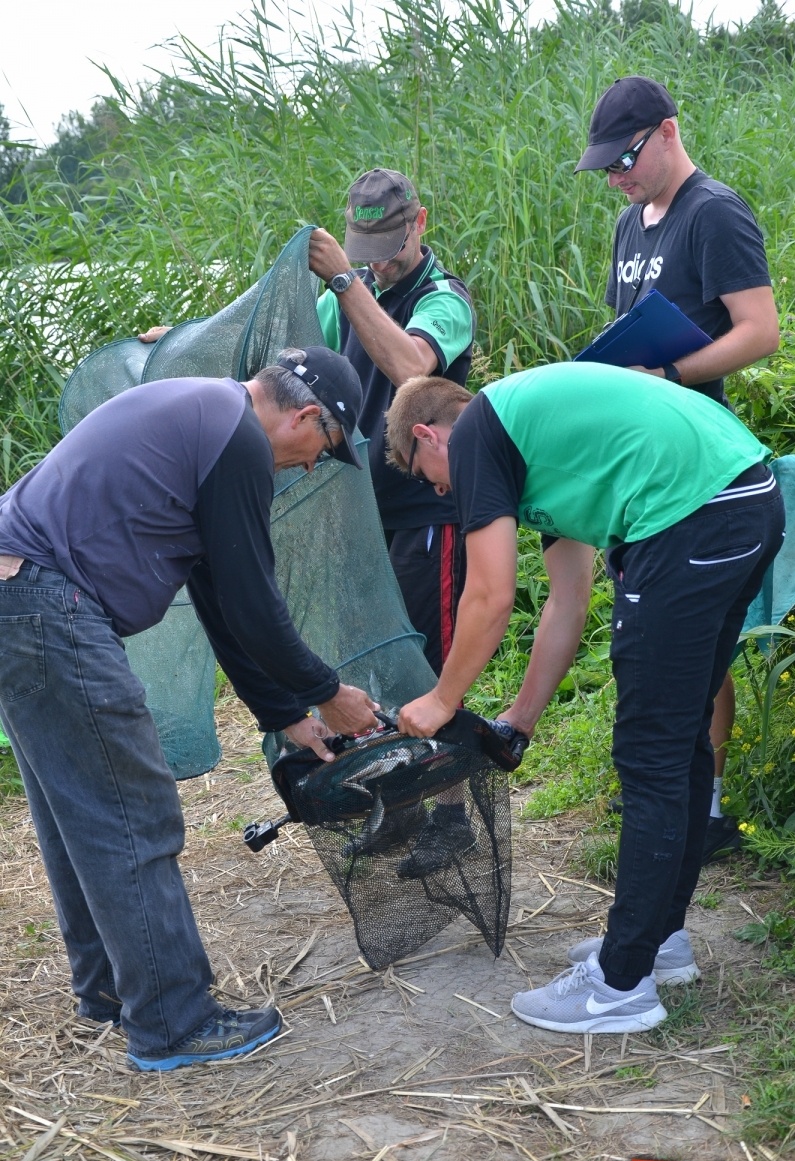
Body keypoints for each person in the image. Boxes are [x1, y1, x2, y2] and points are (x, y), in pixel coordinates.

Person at [0, 346, 378, 1070]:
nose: (305, 467)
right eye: (320, 451)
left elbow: (217, 591)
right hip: (47, 607)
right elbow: (255, 605)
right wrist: (330, 696)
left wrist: (284, 713)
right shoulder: (235, 433)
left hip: (15, 597)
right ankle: (172, 1022)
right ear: (305, 415)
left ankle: (113, 990)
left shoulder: (204, 412)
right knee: (130, 815)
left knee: (76, 812)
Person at [386, 361, 784, 1033]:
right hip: (738, 499)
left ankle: (618, 988)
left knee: (650, 756)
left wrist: (440, 700)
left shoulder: (482, 432)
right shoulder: (535, 446)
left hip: (693, 514)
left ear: (428, 436)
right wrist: (520, 719)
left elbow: (488, 594)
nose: (445, 491)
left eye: (432, 479)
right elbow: (565, 605)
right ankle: (657, 944)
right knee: (678, 740)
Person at [575, 75, 780, 862]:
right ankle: (670, 787)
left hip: (701, 463)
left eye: (623, 159)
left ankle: (706, 802)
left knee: (701, 645)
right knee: (657, 630)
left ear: (666, 131)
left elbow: (757, 331)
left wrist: (669, 378)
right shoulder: (633, 224)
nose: (616, 178)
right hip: (644, 466)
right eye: (604, 168)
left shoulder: (713, 212)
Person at [308, 168, 476, 676]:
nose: (377, 262)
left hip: (426, 509)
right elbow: (281, 354)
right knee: (366, 658)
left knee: (424, 664)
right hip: (360, 510)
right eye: (365, 250)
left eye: (389, 246)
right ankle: (381, 755)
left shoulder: (445, 299)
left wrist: (342, 280)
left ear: (420, 223)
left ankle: (436, 754)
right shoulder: (350, 293)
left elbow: (408, 367)